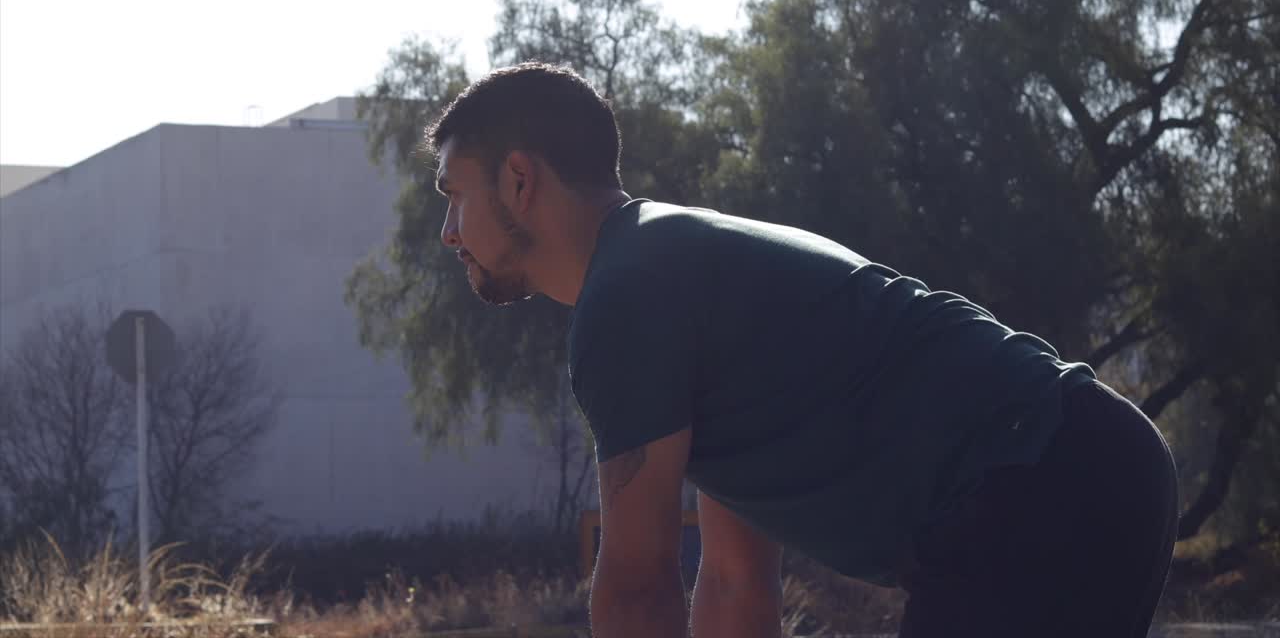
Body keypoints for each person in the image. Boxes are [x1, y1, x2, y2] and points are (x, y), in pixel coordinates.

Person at [425, 62, 1180, 638]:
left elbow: (637, 586)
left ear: (519, 180)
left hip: (1039, 483)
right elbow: (732, 582)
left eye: (454, 194)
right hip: (1092, 467)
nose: (449, 231)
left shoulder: (626, 294)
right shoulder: (675, 269)